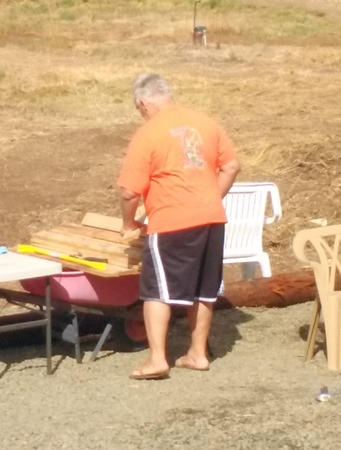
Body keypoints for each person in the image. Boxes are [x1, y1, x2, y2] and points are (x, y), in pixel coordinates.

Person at [117, 73, 240, 380]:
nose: (141, 114)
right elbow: (231, 165)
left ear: (144, 102)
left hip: (172, 220)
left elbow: (129, 191)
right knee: (202, 289)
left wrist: (129, 222)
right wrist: (212, 195)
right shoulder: (206, 122)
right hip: (212, 217)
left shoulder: (148, 133)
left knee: (157, 290)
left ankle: (157, 358)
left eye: (139, 108)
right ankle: (197, 354)